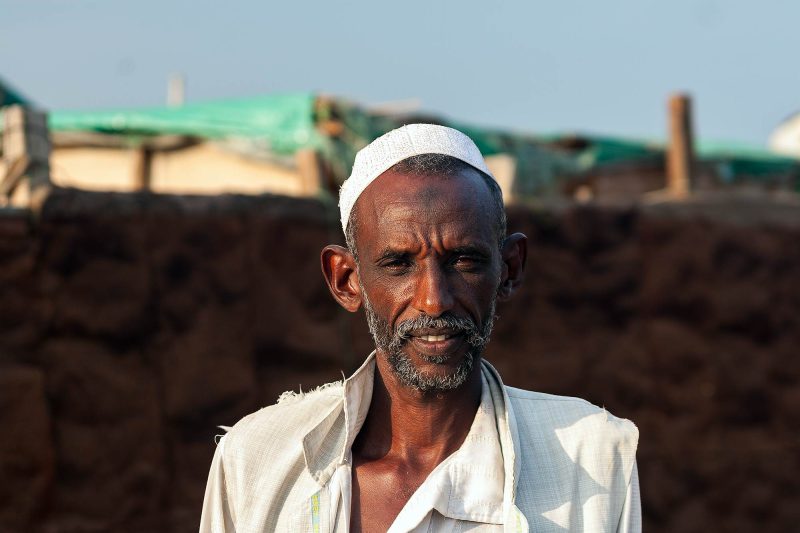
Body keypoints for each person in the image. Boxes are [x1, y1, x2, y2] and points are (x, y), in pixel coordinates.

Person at [200, 124, 640, 532]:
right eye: (398, 264)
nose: (435, 299)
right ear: (347, 281)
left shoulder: (594, 457)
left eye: (463, 261)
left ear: (509, 268)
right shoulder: (256, 461)